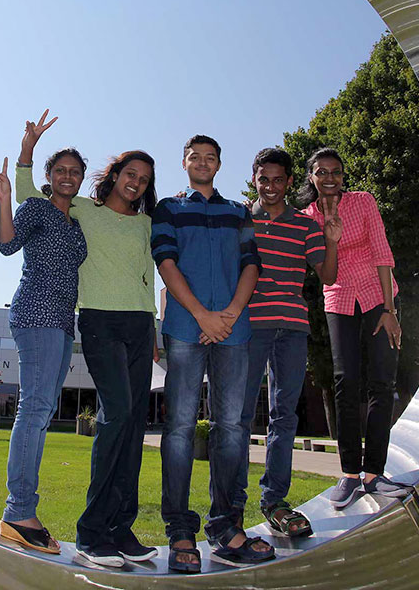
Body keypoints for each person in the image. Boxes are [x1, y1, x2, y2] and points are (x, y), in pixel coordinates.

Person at [15, 110, 158, 568]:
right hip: (98, 322)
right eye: (129, 173)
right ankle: (93, 532)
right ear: (114, 175)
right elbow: (27, 199)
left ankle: (121, 527)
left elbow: (147, 277)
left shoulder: (146, 223)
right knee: (115, 414)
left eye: (143, 178)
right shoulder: (81, 208)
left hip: (139, 324)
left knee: (134, 422)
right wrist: (28, 150)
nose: (135, 182)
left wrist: (154, 328)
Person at [152, 134, 273, 573]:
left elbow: (251, 265)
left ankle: (226, 527)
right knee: (180, 428)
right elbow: (165, 262)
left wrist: (230, 314)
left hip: (234, 330)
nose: (202, 162)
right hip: (186, 328)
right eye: (194, 156)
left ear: (220, 164)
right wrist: (203, 315)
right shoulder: (167, 208)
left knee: (232, 431)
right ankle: (180, 529)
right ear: (184, 162)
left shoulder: (238, 211)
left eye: (211, 157)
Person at [230, 148, 341, 537]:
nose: (271, 186)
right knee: (240, 417)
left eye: (279, 180)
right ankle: (232, 505)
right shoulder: (242, 220)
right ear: (255, 179)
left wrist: (331, 240)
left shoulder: (305, 226)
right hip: (252, 327)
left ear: (290, 182)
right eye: (264, 179)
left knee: (284, 417)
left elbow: (327, 277)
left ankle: (275, 501)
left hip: (293, 328)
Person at [298, 147, 411, 509]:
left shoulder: (363, 201)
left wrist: (389, 310)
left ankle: (374, 473)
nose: (330, 178)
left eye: (336, 171)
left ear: (343, 176)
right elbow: (322, 270)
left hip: (379, 297)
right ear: (311, 177)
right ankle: (349, 473)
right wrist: (330, 237)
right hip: (339, 299)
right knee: (346, 382)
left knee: (383, 381)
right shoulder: (306, 218)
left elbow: (381, 253)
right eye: (322, 172)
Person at [0, 147, 88, 554]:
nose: (68, 176)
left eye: (75, 172)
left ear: (81, 179)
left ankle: (21, 510)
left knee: (42, 411)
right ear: (50, 175)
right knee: (33, 409)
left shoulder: (76, 223)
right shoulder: (36, 208)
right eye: (61, 170)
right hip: (36, 312)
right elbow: (7, 245)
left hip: (63, 322)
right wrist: (5, 198)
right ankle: (19, 512)